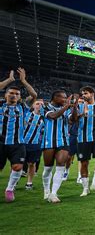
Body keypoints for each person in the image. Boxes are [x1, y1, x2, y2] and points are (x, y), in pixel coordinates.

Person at [0, 68, 37, 202]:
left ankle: (10, 189)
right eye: (11, 93)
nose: (13, 95)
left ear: (20, 97)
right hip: (1, 142)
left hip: (17, 143)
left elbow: (34, 95)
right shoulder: (0, 105)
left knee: (18, 166)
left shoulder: (23, 107)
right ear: (5, 95)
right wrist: (9, 80)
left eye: (16, 94)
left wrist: (23, 81)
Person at [42, 90, 75, 203]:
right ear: (55, 97)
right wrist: (67, 106)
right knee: (48, 168)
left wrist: (74, 108)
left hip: (63, 140)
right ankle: (46, 190)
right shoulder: (45, 107)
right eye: (63, 97)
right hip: (49, 141)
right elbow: (54, 116)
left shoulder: (66, 109)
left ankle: (53, 193)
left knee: (61, 164)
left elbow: (73, 120)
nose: (65, 100)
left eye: (66, 98)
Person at [23, 99, 44, 190]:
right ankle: (13, 184)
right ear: (33, 106)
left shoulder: (45, 118)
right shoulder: (26, 114)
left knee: (32, 163)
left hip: (35, 144)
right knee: (17, 164)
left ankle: (29, 183)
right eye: (37, 104)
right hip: (21, 143)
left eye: (41, 104)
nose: (39, 105)